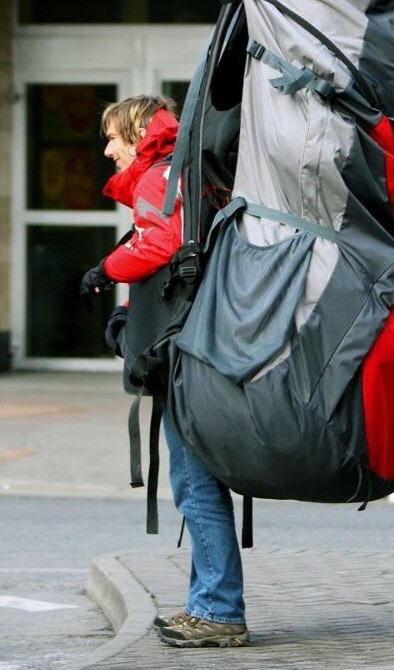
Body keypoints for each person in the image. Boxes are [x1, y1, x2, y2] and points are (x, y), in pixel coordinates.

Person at [80, 95, 249, 649]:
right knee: (200, 481)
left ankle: (220, 611)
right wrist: (128, 307)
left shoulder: (158, 176)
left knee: (195, 484)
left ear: (137, 133)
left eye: (113, 137)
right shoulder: (192, 175)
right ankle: (206, 604)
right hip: (206, 345)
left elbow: (165, 242)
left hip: (181, 356)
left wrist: (107, 268)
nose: (107, 149)